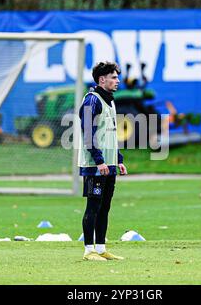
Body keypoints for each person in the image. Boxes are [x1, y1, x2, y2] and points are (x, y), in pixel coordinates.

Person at [78, 61, 128, 261]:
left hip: (109, 165)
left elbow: (110, 135)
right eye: (114, 77)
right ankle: (88, 250)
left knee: (105, 207)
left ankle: (100, 248)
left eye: (117, 77)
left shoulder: (110, 100)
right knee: (93, 206)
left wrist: (118, 160)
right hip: (95, 166)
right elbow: (88, 133)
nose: (117, 81)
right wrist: (99, 161)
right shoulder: (92, 100)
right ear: (102, 79)